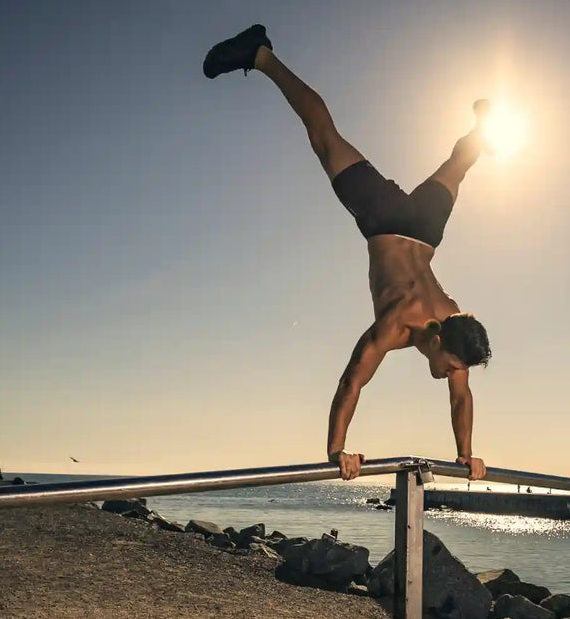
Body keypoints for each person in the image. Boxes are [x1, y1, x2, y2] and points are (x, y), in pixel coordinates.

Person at [204, 25, 492, 483]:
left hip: (425, 233)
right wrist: (337, 450)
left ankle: (480, 131)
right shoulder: (397, 322)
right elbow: (351, 381)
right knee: (324, 137)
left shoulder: (454, 324)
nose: (454, 375)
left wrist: (467, 455)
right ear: (438, 344)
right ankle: (260, 55)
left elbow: (462, 398)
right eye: (454, 367)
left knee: (457, 169)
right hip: (385, 222)